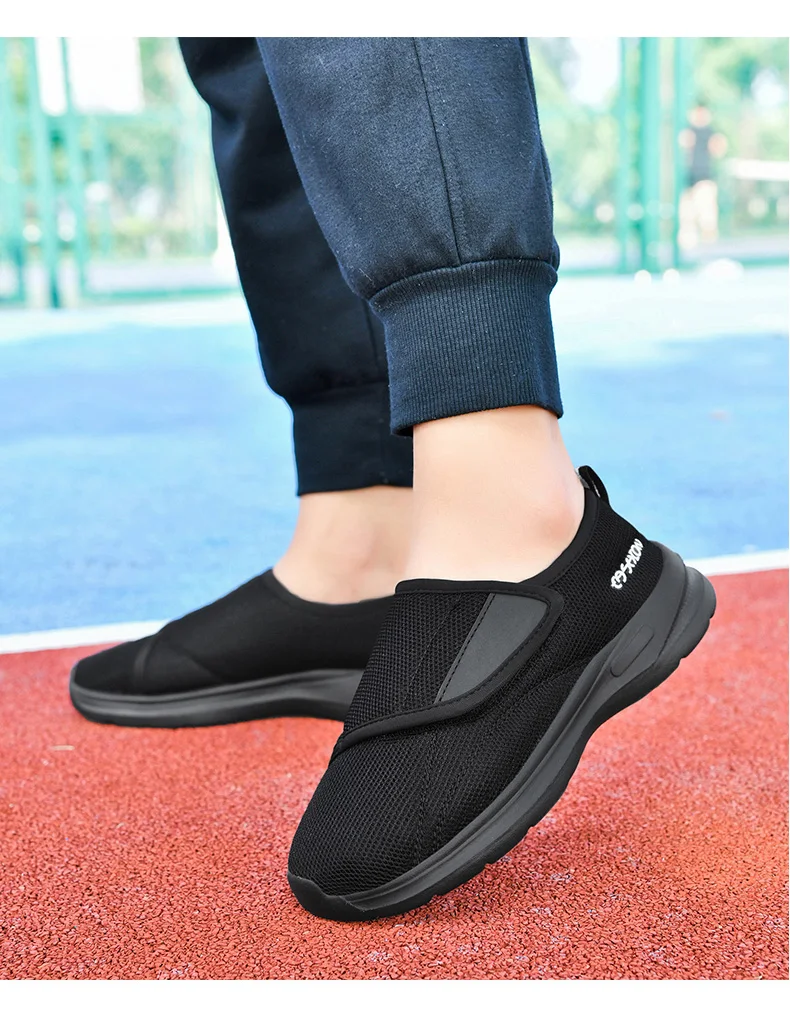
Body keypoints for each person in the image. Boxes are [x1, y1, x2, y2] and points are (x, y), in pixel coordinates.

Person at [69, 38, 716, 921]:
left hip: (531, 529)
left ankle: (519, 515)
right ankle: (360, 539)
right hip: (349, 460)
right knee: (250, 51)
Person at [678, 103, 729, 249]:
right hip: (688, 179)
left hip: (704, 177)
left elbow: (719, 149)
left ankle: (709, 245)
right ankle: (688, 245)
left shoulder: (711, 133)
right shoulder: (687, 132)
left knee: (707, 215)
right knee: (687, 215)